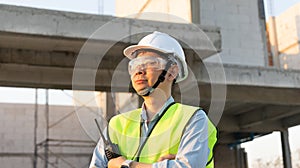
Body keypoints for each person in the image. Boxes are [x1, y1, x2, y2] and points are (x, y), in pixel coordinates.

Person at [89, 31, 217, 168]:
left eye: (149, 63)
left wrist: (126, 165)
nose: (139, 70)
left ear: (172, 72)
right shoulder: (117, 125)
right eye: (135, 65)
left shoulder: (193, 119)